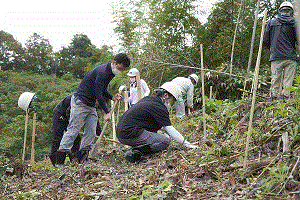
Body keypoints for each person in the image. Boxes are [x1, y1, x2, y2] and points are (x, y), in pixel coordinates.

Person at [56, 53, 130, 167]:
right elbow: (98, 93)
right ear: (114, 63)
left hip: (90, 105)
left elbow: (103, 89)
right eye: (119, 68)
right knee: (73, 130)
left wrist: (112, 97)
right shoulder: (102, 72)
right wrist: (107, 112)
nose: (119, 71)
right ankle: (59, 160)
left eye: (122, 70)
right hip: (80, 103)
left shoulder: (110, 72)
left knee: (90, 132)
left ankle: (83, 159)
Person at [116, 82, 197, 163]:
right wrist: (187, 144)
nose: (173, 104)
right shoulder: (159, 107)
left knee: (158, 136)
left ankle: (137, 147)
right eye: (174, 100)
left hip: (122, 132)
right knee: (164, 141)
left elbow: (163, 128)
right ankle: (135, 152)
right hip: (129, 133)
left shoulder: (150, 100)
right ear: (165, 95)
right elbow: (169, 129)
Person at [49, 94, 102, 167]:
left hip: (70, 117)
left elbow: (94, 119)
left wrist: (100, 133)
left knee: (77, 140)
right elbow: (69, 112)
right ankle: (56, 161)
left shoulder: (90, 103)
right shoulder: (80, 99)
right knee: (58, 137)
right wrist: (73, 127)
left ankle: (76, 160)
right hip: (60, 114)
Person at [263, 1, 298, 101]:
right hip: (290, 57)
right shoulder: (294, 23)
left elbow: (265, 40)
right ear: (291, 11)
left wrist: (272, 48)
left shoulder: (272, 22)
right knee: (288, 81)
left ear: (280, 11)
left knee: (275, 79)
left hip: (276, 56)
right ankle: (284, 98)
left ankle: (273, 97)